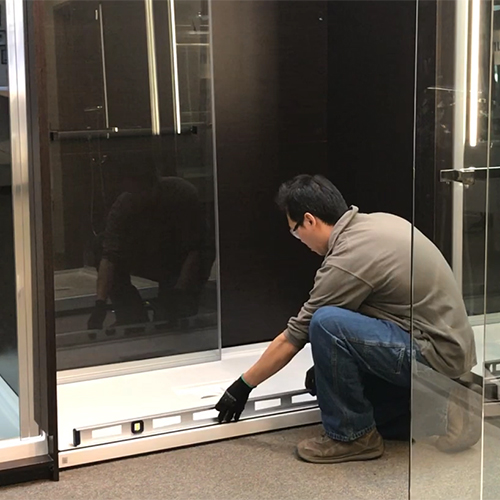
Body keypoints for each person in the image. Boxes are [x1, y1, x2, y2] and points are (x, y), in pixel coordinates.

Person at [215, 174, 478, 464]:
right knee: (324, 380)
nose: (298, 240)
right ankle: (443, 412)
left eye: (294, 231)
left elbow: (296, 335)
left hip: (433, 353)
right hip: (443, 348)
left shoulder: (348, 257)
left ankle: (353, 437)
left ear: (310, 220)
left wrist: (243, 385)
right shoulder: (375, 223)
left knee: (326, 323)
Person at [87, 172, 212, 330]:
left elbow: (196, 249)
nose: (137, 198)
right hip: (151, 253)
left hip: (179, 258)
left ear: (153, 186)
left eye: (141, 192)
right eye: (133, 193)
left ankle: (174, 305)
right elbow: (109, 255)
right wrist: (100, 303)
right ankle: (131, 315)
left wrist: (179, 292)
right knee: (101, 243)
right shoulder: (125, 203)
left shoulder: (181, 194)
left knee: (171, 322)